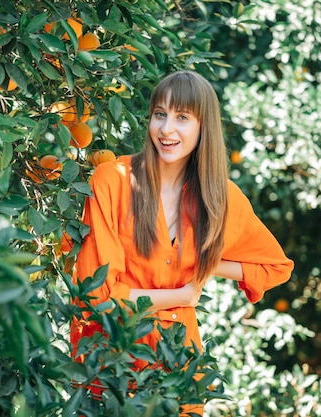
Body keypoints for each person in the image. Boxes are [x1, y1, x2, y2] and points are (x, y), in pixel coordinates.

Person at [70, 70, 294, 414]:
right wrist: (181, 296)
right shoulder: (112, 181)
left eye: (182, 117)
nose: (166, 129)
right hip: (109, 362)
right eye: (160, 114)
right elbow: (96, 296)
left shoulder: (220, 199)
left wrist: (201, 261)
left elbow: (274, 267)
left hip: (177, 366)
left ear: (204, 127)